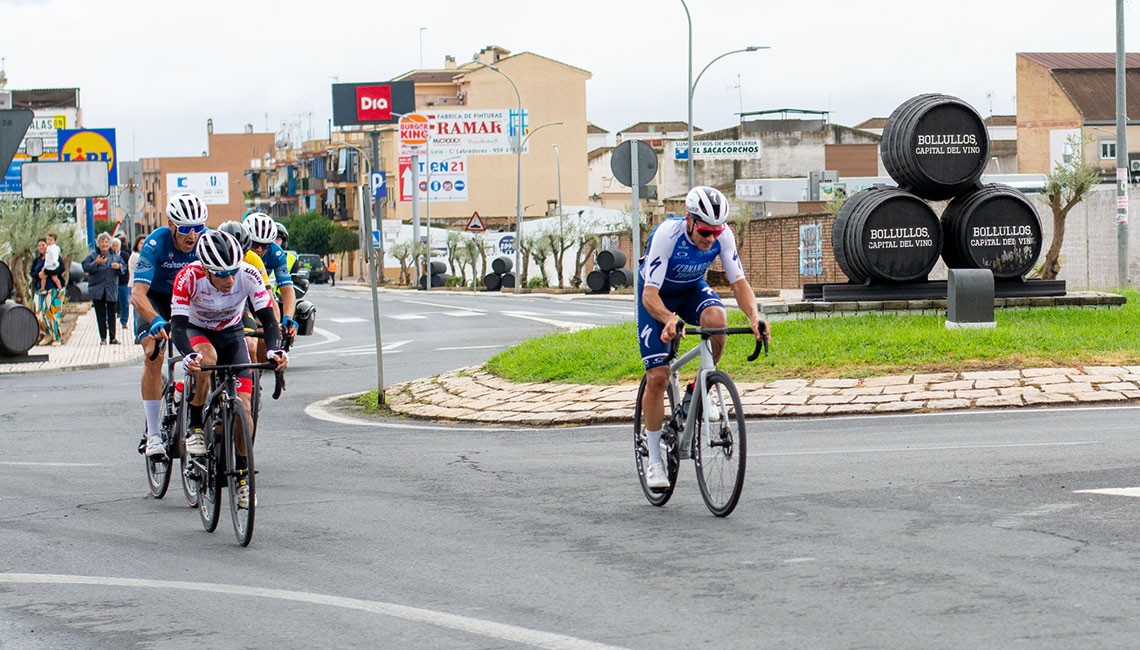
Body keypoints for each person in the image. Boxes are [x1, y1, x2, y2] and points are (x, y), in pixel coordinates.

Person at [636, 186, 769, 489]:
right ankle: (655, 459)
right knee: (657, 376)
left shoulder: (722, 236)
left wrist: (754, 316)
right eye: (706, 231)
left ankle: (700, 387)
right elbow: (649, 294)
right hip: (657, 297)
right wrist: (669, 318)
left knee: (717, 321)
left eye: (716, 231)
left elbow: (739, 283)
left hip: (691, 290)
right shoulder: (667, 236)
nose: (711, 238)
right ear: (689, 220)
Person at [172, 229, 288, 509]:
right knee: (206, 359)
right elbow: (177, 327)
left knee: (244, 409)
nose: (229, 280)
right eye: (222, 274)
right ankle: (197, 425)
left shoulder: (247, 274)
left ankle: (243, 479)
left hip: (231, 332)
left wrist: (273, 351)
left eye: (233, 272)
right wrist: (189, 356)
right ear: (207, 269)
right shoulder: (189, 276)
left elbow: (268, 320)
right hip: (197, 330)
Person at [133, 192, 207, 458]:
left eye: (198, 228)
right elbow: (138, 294)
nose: (192, 236)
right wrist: (155, 320)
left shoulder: (205, 242)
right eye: (186, 229)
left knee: (206, 350)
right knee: (154, 352)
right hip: (157, 298)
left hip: (188, 298)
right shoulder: (155, 243)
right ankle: (153, 434)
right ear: (172, 225)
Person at [242, 212, 297, 345]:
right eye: (255, 244)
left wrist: (286, 319)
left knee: (265, 338)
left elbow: (287, 290)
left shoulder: (276, 253)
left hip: (262, 293)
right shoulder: (239, 250)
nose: (260, 249)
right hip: (241, 296)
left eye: (265, 245)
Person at [82, 232, 123, 344]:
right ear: (98, 244)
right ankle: (103, 338)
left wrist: (118, 266)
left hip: (111, 288)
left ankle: (113, 338)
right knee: (100, 315)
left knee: (112, 314)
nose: (104, 244)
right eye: (102, 242)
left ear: (109, 244)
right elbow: (85, 267)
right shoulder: (92, 256)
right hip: (97, 289)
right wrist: (96, 263)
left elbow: (124, 268)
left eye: (106, 242)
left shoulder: (115, 256)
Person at [112, 237, 131, 329]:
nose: (115, 247)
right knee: (111, 302)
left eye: (117, 245)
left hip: (123, 282)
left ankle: (124, 321)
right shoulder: (109, 256)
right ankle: (108, 321)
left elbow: (127, 268)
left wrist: (119, 267)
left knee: (124, 302)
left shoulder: (125, 255)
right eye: (113, 246)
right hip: (112, 283)